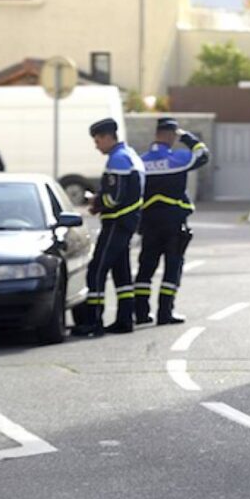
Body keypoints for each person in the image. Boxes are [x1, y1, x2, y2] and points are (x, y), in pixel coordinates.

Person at [70, 118, 144, 337]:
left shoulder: (118, 160)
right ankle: (124, 320)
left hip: (116, 222)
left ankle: (94, 322)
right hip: (127, 221)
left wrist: (97, 203)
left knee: (97, 270)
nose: (96, 145)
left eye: (97, 140)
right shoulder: (130, 155)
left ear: (108, 137)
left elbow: (115, 197)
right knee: (121, 274)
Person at [133, 118, 209, 326]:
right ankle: (165, 313)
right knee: (172, 268)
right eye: (174, 136)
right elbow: (203, 154)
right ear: (170, 135)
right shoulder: (179, 159)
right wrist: (186, 136)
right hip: (173, 224)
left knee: (145, 269)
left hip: (149, 225)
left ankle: (140, 314)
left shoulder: (141, 161)